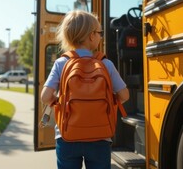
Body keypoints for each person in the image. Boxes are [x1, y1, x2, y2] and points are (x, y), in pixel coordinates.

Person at [41, 10, 130, 169]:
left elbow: (45, 96)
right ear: (91, 36)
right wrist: (110, 101)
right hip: (100, 137)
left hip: (67, 137)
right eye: (99, 33)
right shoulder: (105, 64)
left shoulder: (62, 63)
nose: (101, 36)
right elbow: (124, 95)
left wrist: (57, 101)